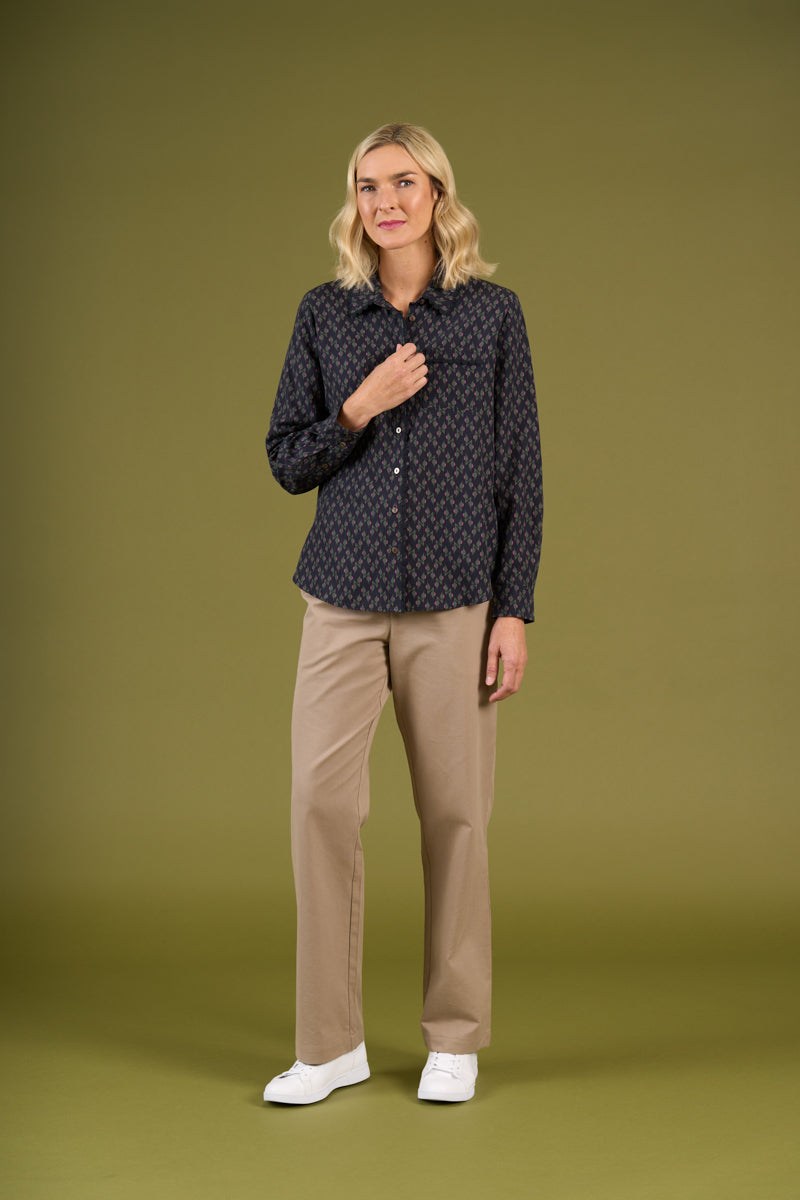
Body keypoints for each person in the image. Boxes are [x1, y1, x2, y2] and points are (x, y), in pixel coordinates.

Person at [262, 123, 542, 1105]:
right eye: (368, 185)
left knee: (456, 815)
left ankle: (454, 1037)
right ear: (355, 202)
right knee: (318, 807)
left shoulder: (492, 316)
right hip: (338, 599)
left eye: (403, 182)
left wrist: (514, 610)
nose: (385, 201)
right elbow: (285, 459)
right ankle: (327, 1044)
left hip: (455, 602)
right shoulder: (324, 314)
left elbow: (520, 473)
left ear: (436, 195)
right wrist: (358, 407)